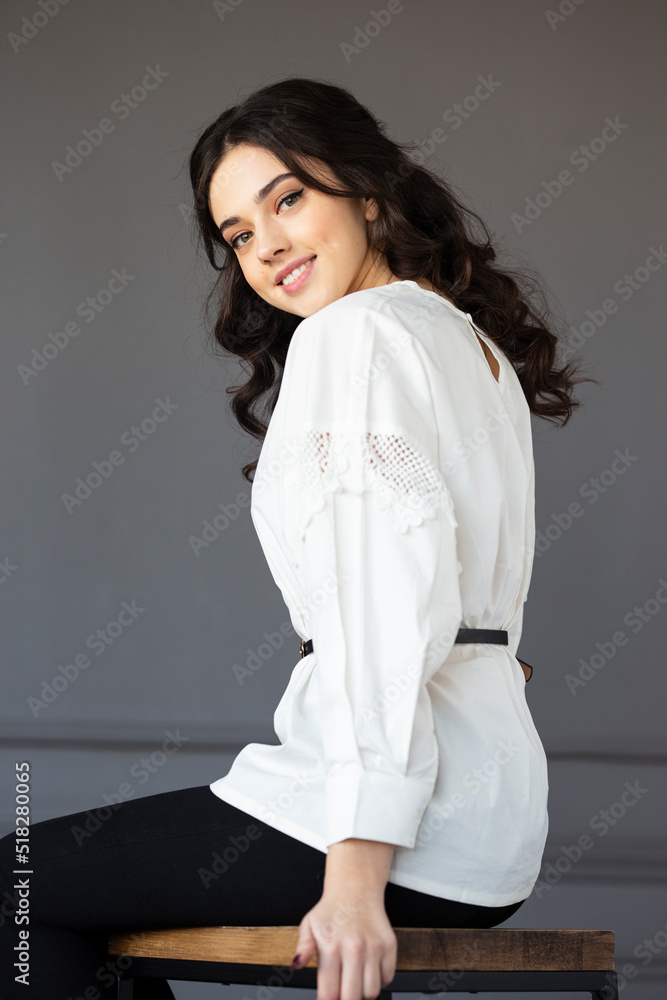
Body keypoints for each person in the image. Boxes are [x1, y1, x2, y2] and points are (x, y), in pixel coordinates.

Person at [0, 77, 596, 1000]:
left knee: (17, 889)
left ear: (365, 190)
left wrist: (353, 880)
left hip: (385, 829)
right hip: (492, 832)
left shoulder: (351, 338)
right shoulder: (459, 339)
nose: (266, 244)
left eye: (288, 199)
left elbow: (382, 615)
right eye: (238, 232)